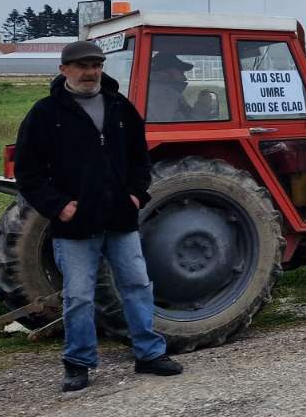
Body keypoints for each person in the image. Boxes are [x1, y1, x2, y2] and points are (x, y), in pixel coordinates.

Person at [13, 39, 183, 392]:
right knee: (79, 296)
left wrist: (136, 194)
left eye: (95, 65)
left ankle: (149, 354)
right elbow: (28, 172)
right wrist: (59, 205)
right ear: (64, 71)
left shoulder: (121, 108)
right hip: (76, 225)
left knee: (137, 285)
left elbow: (141, 158)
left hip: (121, 219)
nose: (90, 72)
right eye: (81, 66)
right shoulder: (45, 114)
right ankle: (78, 363)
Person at [146, 50, 196, 121]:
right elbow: (170, 124)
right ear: (167, 71)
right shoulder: (163, 94)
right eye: (181, 72)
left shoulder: (166, 91)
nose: (185, 78)